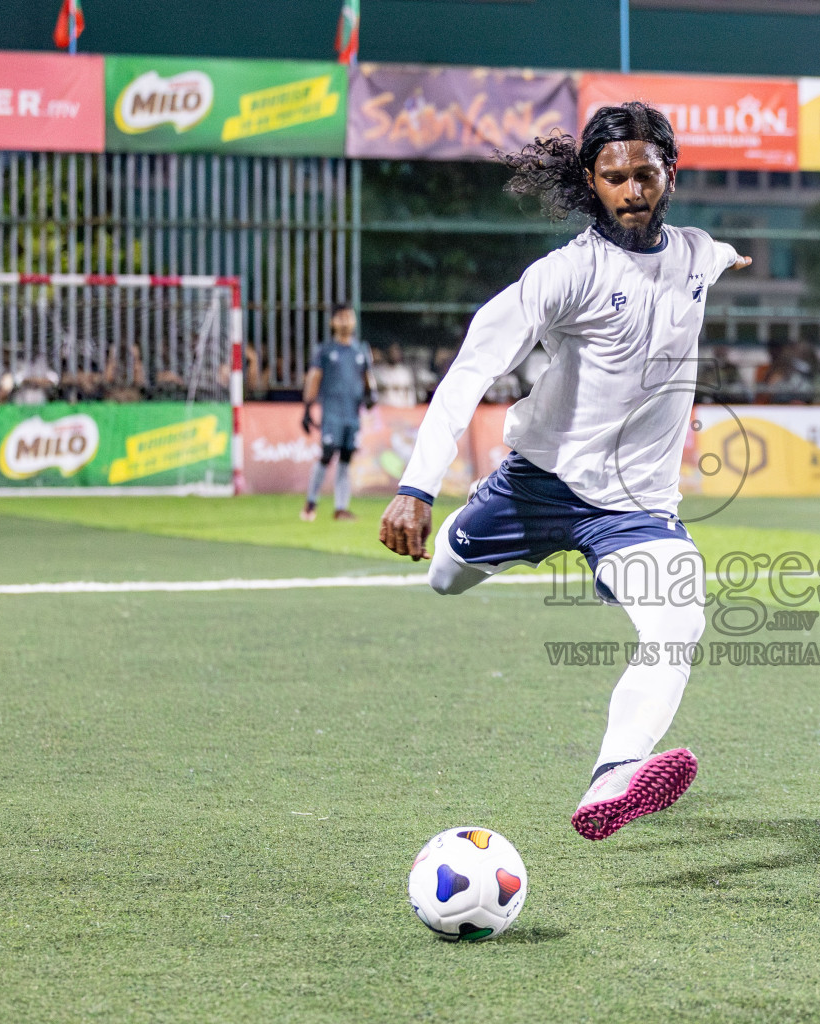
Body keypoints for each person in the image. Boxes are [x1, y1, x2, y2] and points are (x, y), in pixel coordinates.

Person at [377, 103, 751, 841]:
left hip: (637, 508)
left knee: (678, 624)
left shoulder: (698, 252)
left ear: (669, 174)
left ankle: (612, 775)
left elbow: (718, 255)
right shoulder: (565, 274)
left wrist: (734, 258)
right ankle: (464, 531)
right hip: (537, 486)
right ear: (592, 181)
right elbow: (470, 370)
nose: (633, 189)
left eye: (647, 173)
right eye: (616, 177)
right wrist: (416, 488)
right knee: (444, 576)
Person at [301, 304, 375, 522]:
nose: (346, 321)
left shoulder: (360, 350)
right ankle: (311, 501)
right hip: (332, 412)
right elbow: (314, 378)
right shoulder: (325, 350)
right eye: (340, 318)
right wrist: (307, 409)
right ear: (333, 322)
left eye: (349, 317)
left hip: (352, 413)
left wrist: (371, 395)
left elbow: (367, 378)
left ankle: (341, 507)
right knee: (327, 453)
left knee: (346, 457)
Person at [374, 343, 419, 407]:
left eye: (397, 351)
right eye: (392, 352)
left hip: (402, 409)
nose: (394, 354)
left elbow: (410, 393)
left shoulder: (405, 372)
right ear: (387, 353)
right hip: (384, 409)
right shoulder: (378, 372)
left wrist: (410, 407)